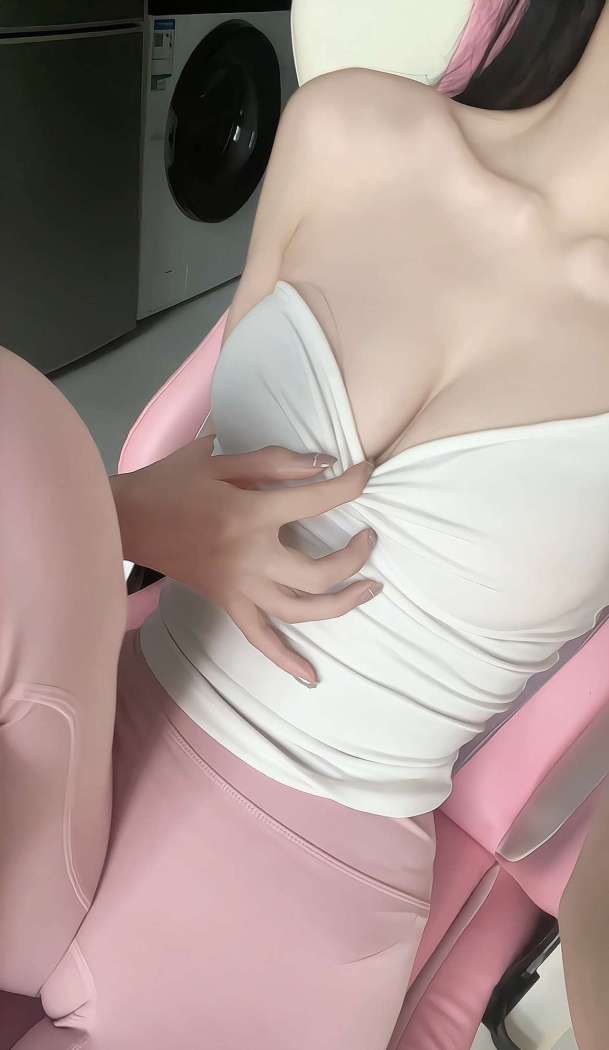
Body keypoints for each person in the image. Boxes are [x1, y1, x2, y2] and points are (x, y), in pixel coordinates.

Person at [2, 4, 609, 1049]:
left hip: (295, 922)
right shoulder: (347, 130)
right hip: (83, 728)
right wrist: (121, 511)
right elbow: (183, 478)